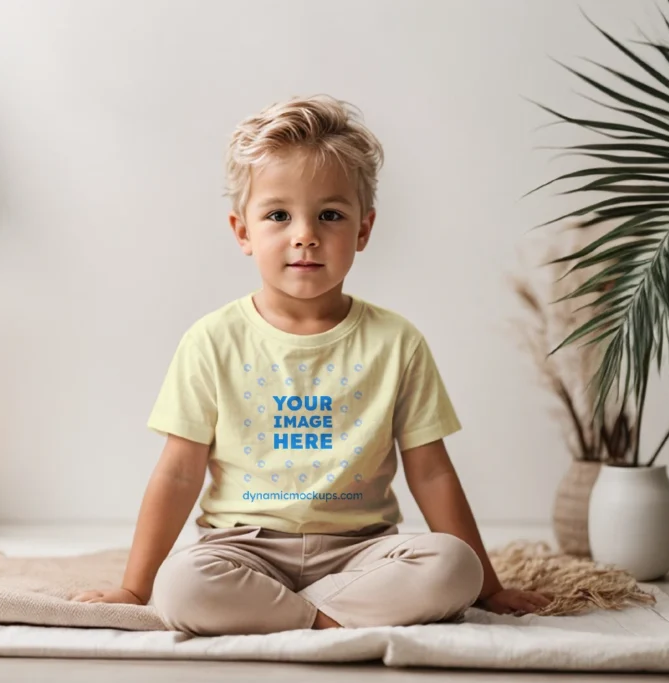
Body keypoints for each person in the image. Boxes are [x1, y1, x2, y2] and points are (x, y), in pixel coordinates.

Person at [72, 94, 551, 635]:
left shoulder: (396, 342)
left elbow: (432, 470)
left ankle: (286, 616)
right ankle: (332, 619)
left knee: (451, 567)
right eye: (278, 215)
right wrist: (135, 588)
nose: (305, 234)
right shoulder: (211, 341)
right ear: (243, 232)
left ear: (363, 230)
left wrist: (488, 587)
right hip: (244, 551)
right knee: (181, 585)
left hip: (361, 553)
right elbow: (179, 471)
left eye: (330, 215)